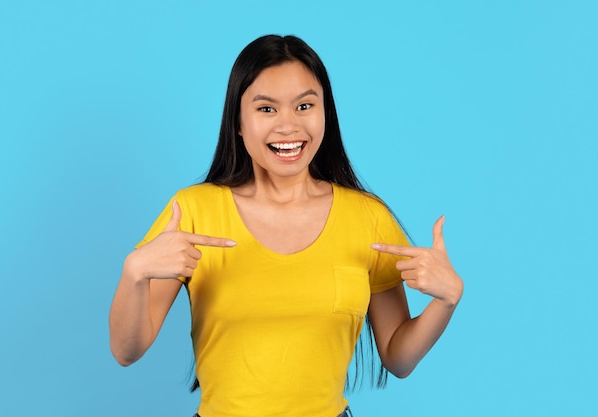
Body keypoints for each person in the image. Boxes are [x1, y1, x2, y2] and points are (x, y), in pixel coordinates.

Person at [109, 34, 464, 417]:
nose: (288, 126)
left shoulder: (368, 218)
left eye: (304, 105)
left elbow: (397, 356)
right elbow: (127, 351)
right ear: (238, 123)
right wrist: (135, 272)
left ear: (325, 113)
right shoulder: (194, 211)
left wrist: (446, 301)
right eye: (266, 109)